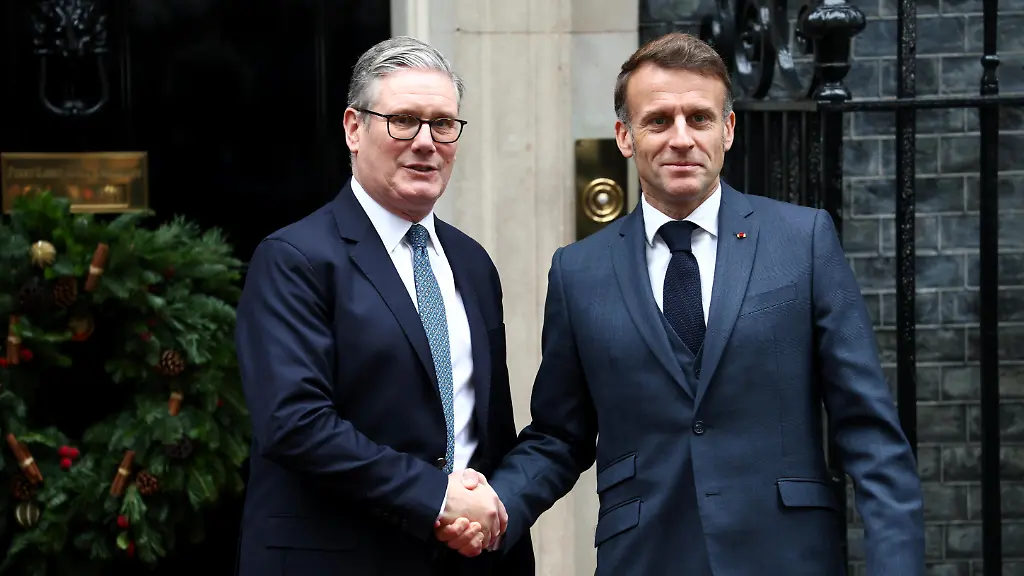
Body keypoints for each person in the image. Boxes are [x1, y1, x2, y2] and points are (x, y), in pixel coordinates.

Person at [442, 32, 925, 575]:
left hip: (786, 555)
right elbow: (560, 434)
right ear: (625, 136)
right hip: (644, 557)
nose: (681, 138)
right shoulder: (578, 271)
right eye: (658, 120)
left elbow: (868, 428)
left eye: (699, 118)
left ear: (728, 129)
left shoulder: (803, 240)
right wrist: (496, 506)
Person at [233, 36, 534, 576]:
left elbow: (486, 431)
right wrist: (438, 497)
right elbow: (294, 424)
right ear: (354, 128)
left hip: (466, 560)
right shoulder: (294, 259)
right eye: (403, 121)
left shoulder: (473, 264)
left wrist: (487, 514)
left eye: (443, 124)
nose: (426, 142)